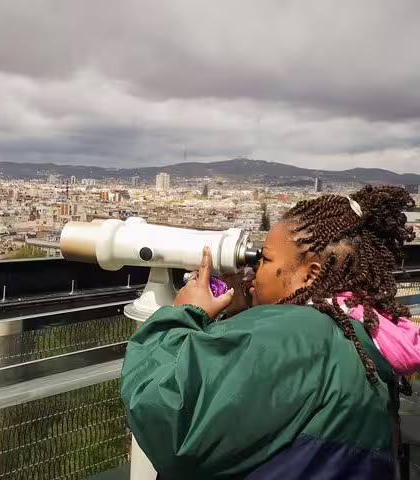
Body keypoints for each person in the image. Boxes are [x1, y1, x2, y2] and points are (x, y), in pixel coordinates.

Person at [121, 185, 420, 479]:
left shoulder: (299, 336)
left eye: (265, 259)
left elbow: (169, 420)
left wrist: (181, 316)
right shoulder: (351, 338)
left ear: (312, 273)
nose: (254, 270)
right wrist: (240, 318)